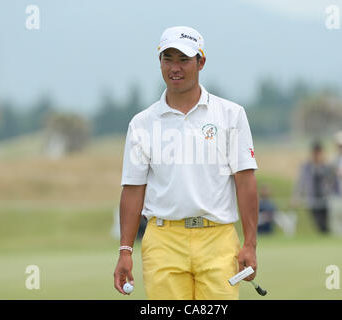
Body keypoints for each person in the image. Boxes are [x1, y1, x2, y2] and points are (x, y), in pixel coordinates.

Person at [113, 26, 259, 300]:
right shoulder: (142, 124)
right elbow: (133, 189)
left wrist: (250, 244)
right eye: (168, 59)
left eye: (184, 59)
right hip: (163, 240)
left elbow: (246, 181)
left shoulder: (231, 115)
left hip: (218, 238)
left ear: (201, 62)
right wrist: (125, 250)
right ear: (160, 62)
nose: (175, 68)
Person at [293, 141, 335, 234]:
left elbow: (332, 181)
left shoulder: (327, 166)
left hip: (326, 199)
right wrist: (296, 196)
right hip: (312, 199)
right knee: (318, 223)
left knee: (326, 224)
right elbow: (301, 182)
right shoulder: (307, 166)